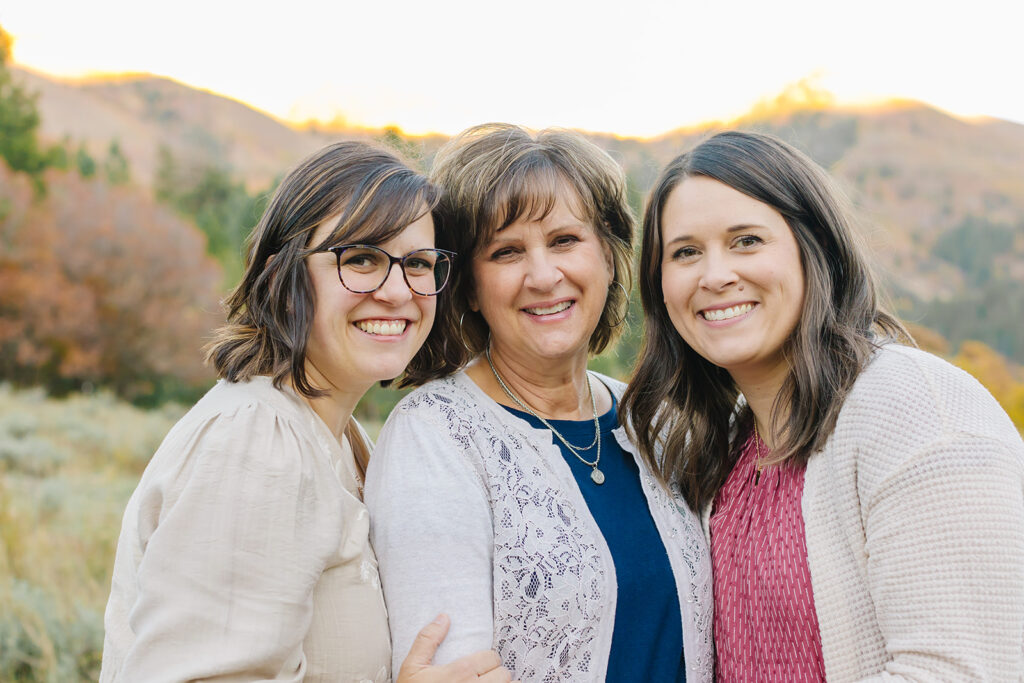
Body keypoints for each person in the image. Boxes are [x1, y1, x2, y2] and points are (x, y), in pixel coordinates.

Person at [99, 141, 511, 683]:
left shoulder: (340, 438)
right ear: (285, 277)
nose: (396, 291)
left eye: (417, 264)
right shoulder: (257, 439)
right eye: (361, 258)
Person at [621, 130, 1024, 681]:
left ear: (816, 250)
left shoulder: (919, 410)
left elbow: (964, 670)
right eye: (686, 252)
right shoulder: (730, 446)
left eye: (746, 241)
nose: (715, 276)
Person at [365, 123, 714, 682]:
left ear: (608, 256)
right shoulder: (435, 436)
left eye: (564, 240)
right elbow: (457, 668)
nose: (544, 275)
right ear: (470, 287)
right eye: (506, 252)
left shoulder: (657, 423)